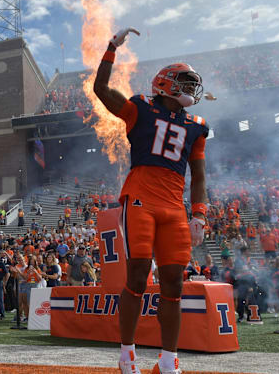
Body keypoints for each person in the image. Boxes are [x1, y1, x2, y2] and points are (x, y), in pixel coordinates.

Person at [94, 27, 209, 374]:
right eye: (185, 83)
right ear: (165, 84)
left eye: (192, 84)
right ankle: (127, 353)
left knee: (174, 280)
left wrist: (200, 214)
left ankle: (168, 359)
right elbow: (101, 89)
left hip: (175, 206)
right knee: (139, 274)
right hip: (141, 197)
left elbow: (199, 175)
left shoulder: (196, 126)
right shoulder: (140, 108)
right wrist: (111, 48)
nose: (190, 90)